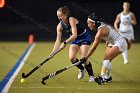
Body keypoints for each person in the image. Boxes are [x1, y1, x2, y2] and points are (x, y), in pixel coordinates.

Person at [80, 13, 128, 85]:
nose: (88, 25)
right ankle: (108, 78)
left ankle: (101, 78)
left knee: (106, 57)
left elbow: (93, 48)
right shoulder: (100, 25)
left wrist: (85, 57)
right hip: (113, 42)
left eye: (89, 23)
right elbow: (110, 31)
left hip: (121, 42)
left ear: (93, 23)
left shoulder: (100, 32)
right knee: (108, 59)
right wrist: (108, 40)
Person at [50, 6, 95, 82]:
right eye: (58, 16)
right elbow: (58, 40)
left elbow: (74, 35)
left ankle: (91, 75)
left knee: (84, 57)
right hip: (75, 40)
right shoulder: (59, 26)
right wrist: (53, 52)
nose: (59, 18)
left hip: (84, 37)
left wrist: (65, 43)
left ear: (66, 14)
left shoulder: (71, 20)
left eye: (61, 16)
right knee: (72, 58)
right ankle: (82, 69)